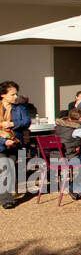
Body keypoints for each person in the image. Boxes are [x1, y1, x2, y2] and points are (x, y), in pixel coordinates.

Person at [1, 81, 33, 209]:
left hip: (15, 143)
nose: (15, 97)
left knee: (11, 169)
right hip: (1, 143)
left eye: (16, 94)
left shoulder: (19, 108)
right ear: (3, 95)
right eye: (12, 94)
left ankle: (4, 194)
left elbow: (26, 121)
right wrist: (4, 141)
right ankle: (6, 200)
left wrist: (13, 124)